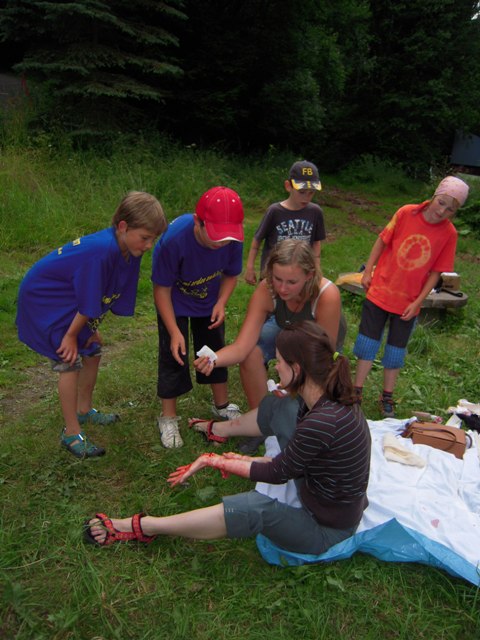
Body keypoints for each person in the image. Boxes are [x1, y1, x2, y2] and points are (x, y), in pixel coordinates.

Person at [84, 321, 371, 556]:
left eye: (280, 362)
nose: (275, 367)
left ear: (297, 370)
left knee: (255, 509)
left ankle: (146, 526)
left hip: (325, 530)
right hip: (320, 492)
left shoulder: (321, 422)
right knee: (279, 404)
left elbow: (276, 472)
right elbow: (290, 463)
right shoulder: (328, 399)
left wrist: (216, 461)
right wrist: (239, 460)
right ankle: (221, 429)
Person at [16, 191, 167, 458]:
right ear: (123, 226)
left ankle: (84, 410)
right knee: (69, 359)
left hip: (69, 297)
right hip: (46, 299)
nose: (148, 245)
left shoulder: (128, 250)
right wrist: (70, 336)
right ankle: (71, 432)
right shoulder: (102, 251)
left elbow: (105, 292)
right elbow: (88, 298)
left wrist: (91, 328)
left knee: (93, 350)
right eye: (145, 238)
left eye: (153, 239)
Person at [194, 239, 345, 452]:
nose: (282, 288)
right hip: (285, 327)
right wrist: (213, 359)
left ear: (309, 276)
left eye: (291, 282)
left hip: (317, 345)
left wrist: (291, 383)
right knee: (252, 353)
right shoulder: (267, 289)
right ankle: (262, 425)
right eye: (277, 279)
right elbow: (242, 347)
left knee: (304, 397)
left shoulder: (327, 295)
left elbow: (321, 359)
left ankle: (288, 418)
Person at [353, 175, 469, 418]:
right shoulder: (406, 213)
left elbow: (436, 272)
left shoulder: (449, 233)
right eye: (441, 203)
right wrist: (368, 270)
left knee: (396, 350)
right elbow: (382, 241)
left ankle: (387, 395)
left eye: (450, 209)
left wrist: (418, 302)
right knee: (367, 343)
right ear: (434, 196)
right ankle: (356, 390)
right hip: (381, 290)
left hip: (408, 301)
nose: (442, 211)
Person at [152, 186, 244, 449]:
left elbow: (230, 274)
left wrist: (221, 302)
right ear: (197, 222)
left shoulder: (233, 237)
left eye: (226, 238)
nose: (222, 243)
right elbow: (161, 289)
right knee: (174, 354)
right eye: (215, 236)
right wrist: (174, 330)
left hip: (209, 301)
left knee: (214, 349)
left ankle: (221, 405)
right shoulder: (173, 241)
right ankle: (168, 417)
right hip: (174, 303)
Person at [244, 159, 325, 285]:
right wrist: (250, 267)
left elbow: (316, 242)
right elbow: (257, 240)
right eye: (302, 192)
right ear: (288, 186)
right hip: (273, 274)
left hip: (300, 275)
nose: (306, 197)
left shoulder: (315, 212)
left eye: (311, 192)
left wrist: (316, 268)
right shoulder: (275, 211)